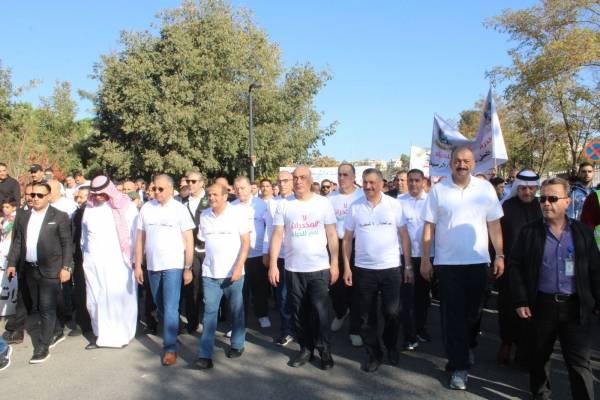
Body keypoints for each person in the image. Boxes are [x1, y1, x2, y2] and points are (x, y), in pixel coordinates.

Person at [421, 146, 504, 390]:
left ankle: (466, 347)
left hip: (478, 263)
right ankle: (459, 366)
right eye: (457, 160)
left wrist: (500, 255)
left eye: (466, 160)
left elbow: (494, 225)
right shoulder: (438, 190)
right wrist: (425, 259)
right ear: (450, 163)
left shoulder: (485, 188)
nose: (462, 164)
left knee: (474, 314)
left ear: (473, 163)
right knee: (453, 316)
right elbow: (429, 227)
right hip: (447, 265)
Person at [510, 177, 600, 400]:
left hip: (575, 307)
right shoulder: (529, 232)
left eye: (552, 198)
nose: (546, 203)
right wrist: (521, 300)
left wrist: (597, 301)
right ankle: (541, 396)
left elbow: (595, 269)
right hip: (542, 305)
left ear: (567, 202)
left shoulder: (582, 233)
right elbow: (516, 266)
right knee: (539, 359)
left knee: (580, 363)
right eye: (542, 199)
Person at [269, 166, 339, 370]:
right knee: (299, 312)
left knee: (321, 312)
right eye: (295, 178)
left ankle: (324, 350)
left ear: (310, 179)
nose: (298, 181)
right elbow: (277, 235)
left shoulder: (323, 203)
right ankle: (306, 349)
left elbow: (332, 234)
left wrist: (335, 263)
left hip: (319, 268)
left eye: (302, 177)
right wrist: (273, 264)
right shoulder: (284, 205)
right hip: (293, 269)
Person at [342, 168, 410, 372]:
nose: (368, 186)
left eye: (372, 182)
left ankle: (391, 345)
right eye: (365, 182)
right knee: (366, 317)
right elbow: (347, 239)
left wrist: (408, 265)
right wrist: (347, 267)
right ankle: (374, 353)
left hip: (391, 269)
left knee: (392, 312)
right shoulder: (355, 207)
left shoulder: (394, 205)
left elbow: (404, 236)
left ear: (381, 184)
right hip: (364, 270)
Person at [6, 182, 73, 363]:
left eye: (39, 195)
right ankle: (57, 330)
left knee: (46, 307)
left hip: (51, 268)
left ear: (48, 197)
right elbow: (18, 242)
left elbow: (67, 244)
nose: (35, 198)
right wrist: (12, 263)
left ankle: (42, 347)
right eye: (32, 194)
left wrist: (66, 267)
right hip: (29, 269)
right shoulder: (24, 216)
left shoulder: (59, 216)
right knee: (35, 304)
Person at [134, 174, 195, 366]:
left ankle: (169, 348)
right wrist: (138, 265)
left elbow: (189, 240)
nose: (157, 192)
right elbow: (140, 239)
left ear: (170, 189)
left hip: (174, 265)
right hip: (153, 265)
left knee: (170, 306)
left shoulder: (179, 209)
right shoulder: (146, 208)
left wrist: (188, 267)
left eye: (160, 189)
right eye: (154, 188)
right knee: (160, 304)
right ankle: (174, 326)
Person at [195, 184, 251, 370]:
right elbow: (203, 242)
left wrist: (239, 267)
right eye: (209, 195)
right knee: (209, 313)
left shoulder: (238, 213)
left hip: (233, 274)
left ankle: (237, 344)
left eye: (215, 195)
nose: (211, 198)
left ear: (225, 196)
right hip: (210, 274)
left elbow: (246, 243)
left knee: (236, 310)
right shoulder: (204, 216)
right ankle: (205, 355)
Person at [81, 176, 138, 349]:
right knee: (94, 298)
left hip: (118, 261)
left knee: (116, 297)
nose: (98, 196)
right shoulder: (89, 208)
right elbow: (84, 236)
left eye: (101, 193)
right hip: (92, 261)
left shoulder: (126, 206)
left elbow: (136, 234)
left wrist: (134, 259)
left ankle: (120, 335)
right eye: (95, 193)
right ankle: (100, 334)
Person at [496, 169, 542, 366]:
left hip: (536, 269)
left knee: (532, 310)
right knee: (508, 309)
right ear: (517, 188)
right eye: (523, 188)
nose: (527, 192)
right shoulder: (506, 206)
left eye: (531, 188)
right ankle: (506, 343)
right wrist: (497, 258)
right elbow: (496, 236)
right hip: (510, 267)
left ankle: (524, 350)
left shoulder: (541, 206)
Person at [327, 163, 363, 346]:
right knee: (335, 286)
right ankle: (341, 312)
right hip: (335, 244)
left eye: (346, 175)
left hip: (358, 245)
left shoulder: (362, 196)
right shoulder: (330, 198)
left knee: (356, 289)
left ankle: (355, 329)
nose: (342, 178)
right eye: (339, 174)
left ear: (354, 177)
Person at [398, 169, 432, 350]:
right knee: (407, 298)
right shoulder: (398, 202)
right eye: (410, 180)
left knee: (423, 297)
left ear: (423, 181)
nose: (413, 184)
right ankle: (409, 336)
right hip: (406, 257)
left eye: (417, 180)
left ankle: (420, 328)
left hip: (427, 256)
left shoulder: (431, 201)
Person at [232, 176, 270, 328]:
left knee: (259, 288)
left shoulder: (261, 205)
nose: (239, 191)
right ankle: (240, 322)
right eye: (237, 188)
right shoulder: (231, 207)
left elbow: (268, 229)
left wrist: (266, 252)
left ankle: (262, 315)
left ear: (250, 188)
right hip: (239, 255)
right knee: (241, 291)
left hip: (258, 254)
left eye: (242, 188)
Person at [263, 171, 294, 346]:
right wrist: (266, 253)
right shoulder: (272, 203)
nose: (282, 184)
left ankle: (302, 328)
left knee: (299, 295)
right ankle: (287, 330)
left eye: (285, 180)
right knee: (282, 295)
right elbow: (269, 229)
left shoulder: (298, 200)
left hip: (298, 256)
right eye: (279, 181)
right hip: (280, 256)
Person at [180, 171, 210, 333]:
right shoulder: (182, 202)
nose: (190, 184)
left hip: (209, 249)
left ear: (201, 183)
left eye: (193, 181)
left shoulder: (210, 199)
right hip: (191, 250)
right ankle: (193, 321)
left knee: (210, 287)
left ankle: (212, 319)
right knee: (192, 287)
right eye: (188, 181)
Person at [70, 186, 92, 336]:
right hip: (78, 257)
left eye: (81, 197)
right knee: (80, 290)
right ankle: (83, 321)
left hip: (92, 256)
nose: (78, 200)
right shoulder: (77, 213)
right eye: (77, 197)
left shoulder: (94, 213)